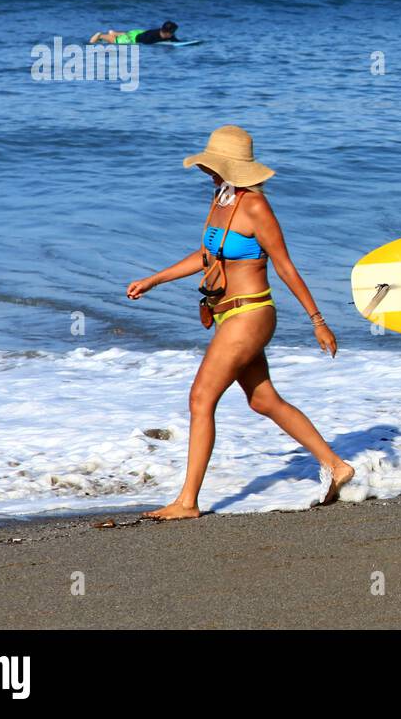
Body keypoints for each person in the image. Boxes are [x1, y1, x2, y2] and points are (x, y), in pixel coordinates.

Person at [126, 125, 355, 520]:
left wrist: (318, 321)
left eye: (215, 167)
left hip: (251, 313)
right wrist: (154, 279)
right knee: (263, 399)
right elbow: (206, 255)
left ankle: (187, 503)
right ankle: (337, 465)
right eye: (209, 167)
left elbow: (284, 266)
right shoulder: (221, 199)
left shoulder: (255, 207)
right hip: (225, 313)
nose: (208, 173)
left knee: (200, 398)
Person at [89, 20, 180, 45]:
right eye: (172, 32)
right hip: (132, 38)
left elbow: (176, 41)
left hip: (138, 32)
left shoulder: (169, 35)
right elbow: (145, 43)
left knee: (127, 34)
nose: (173, 33)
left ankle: (113, 32)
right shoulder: (151, 37)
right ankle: (100, 35)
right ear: (166, 32)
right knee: (116, 41)